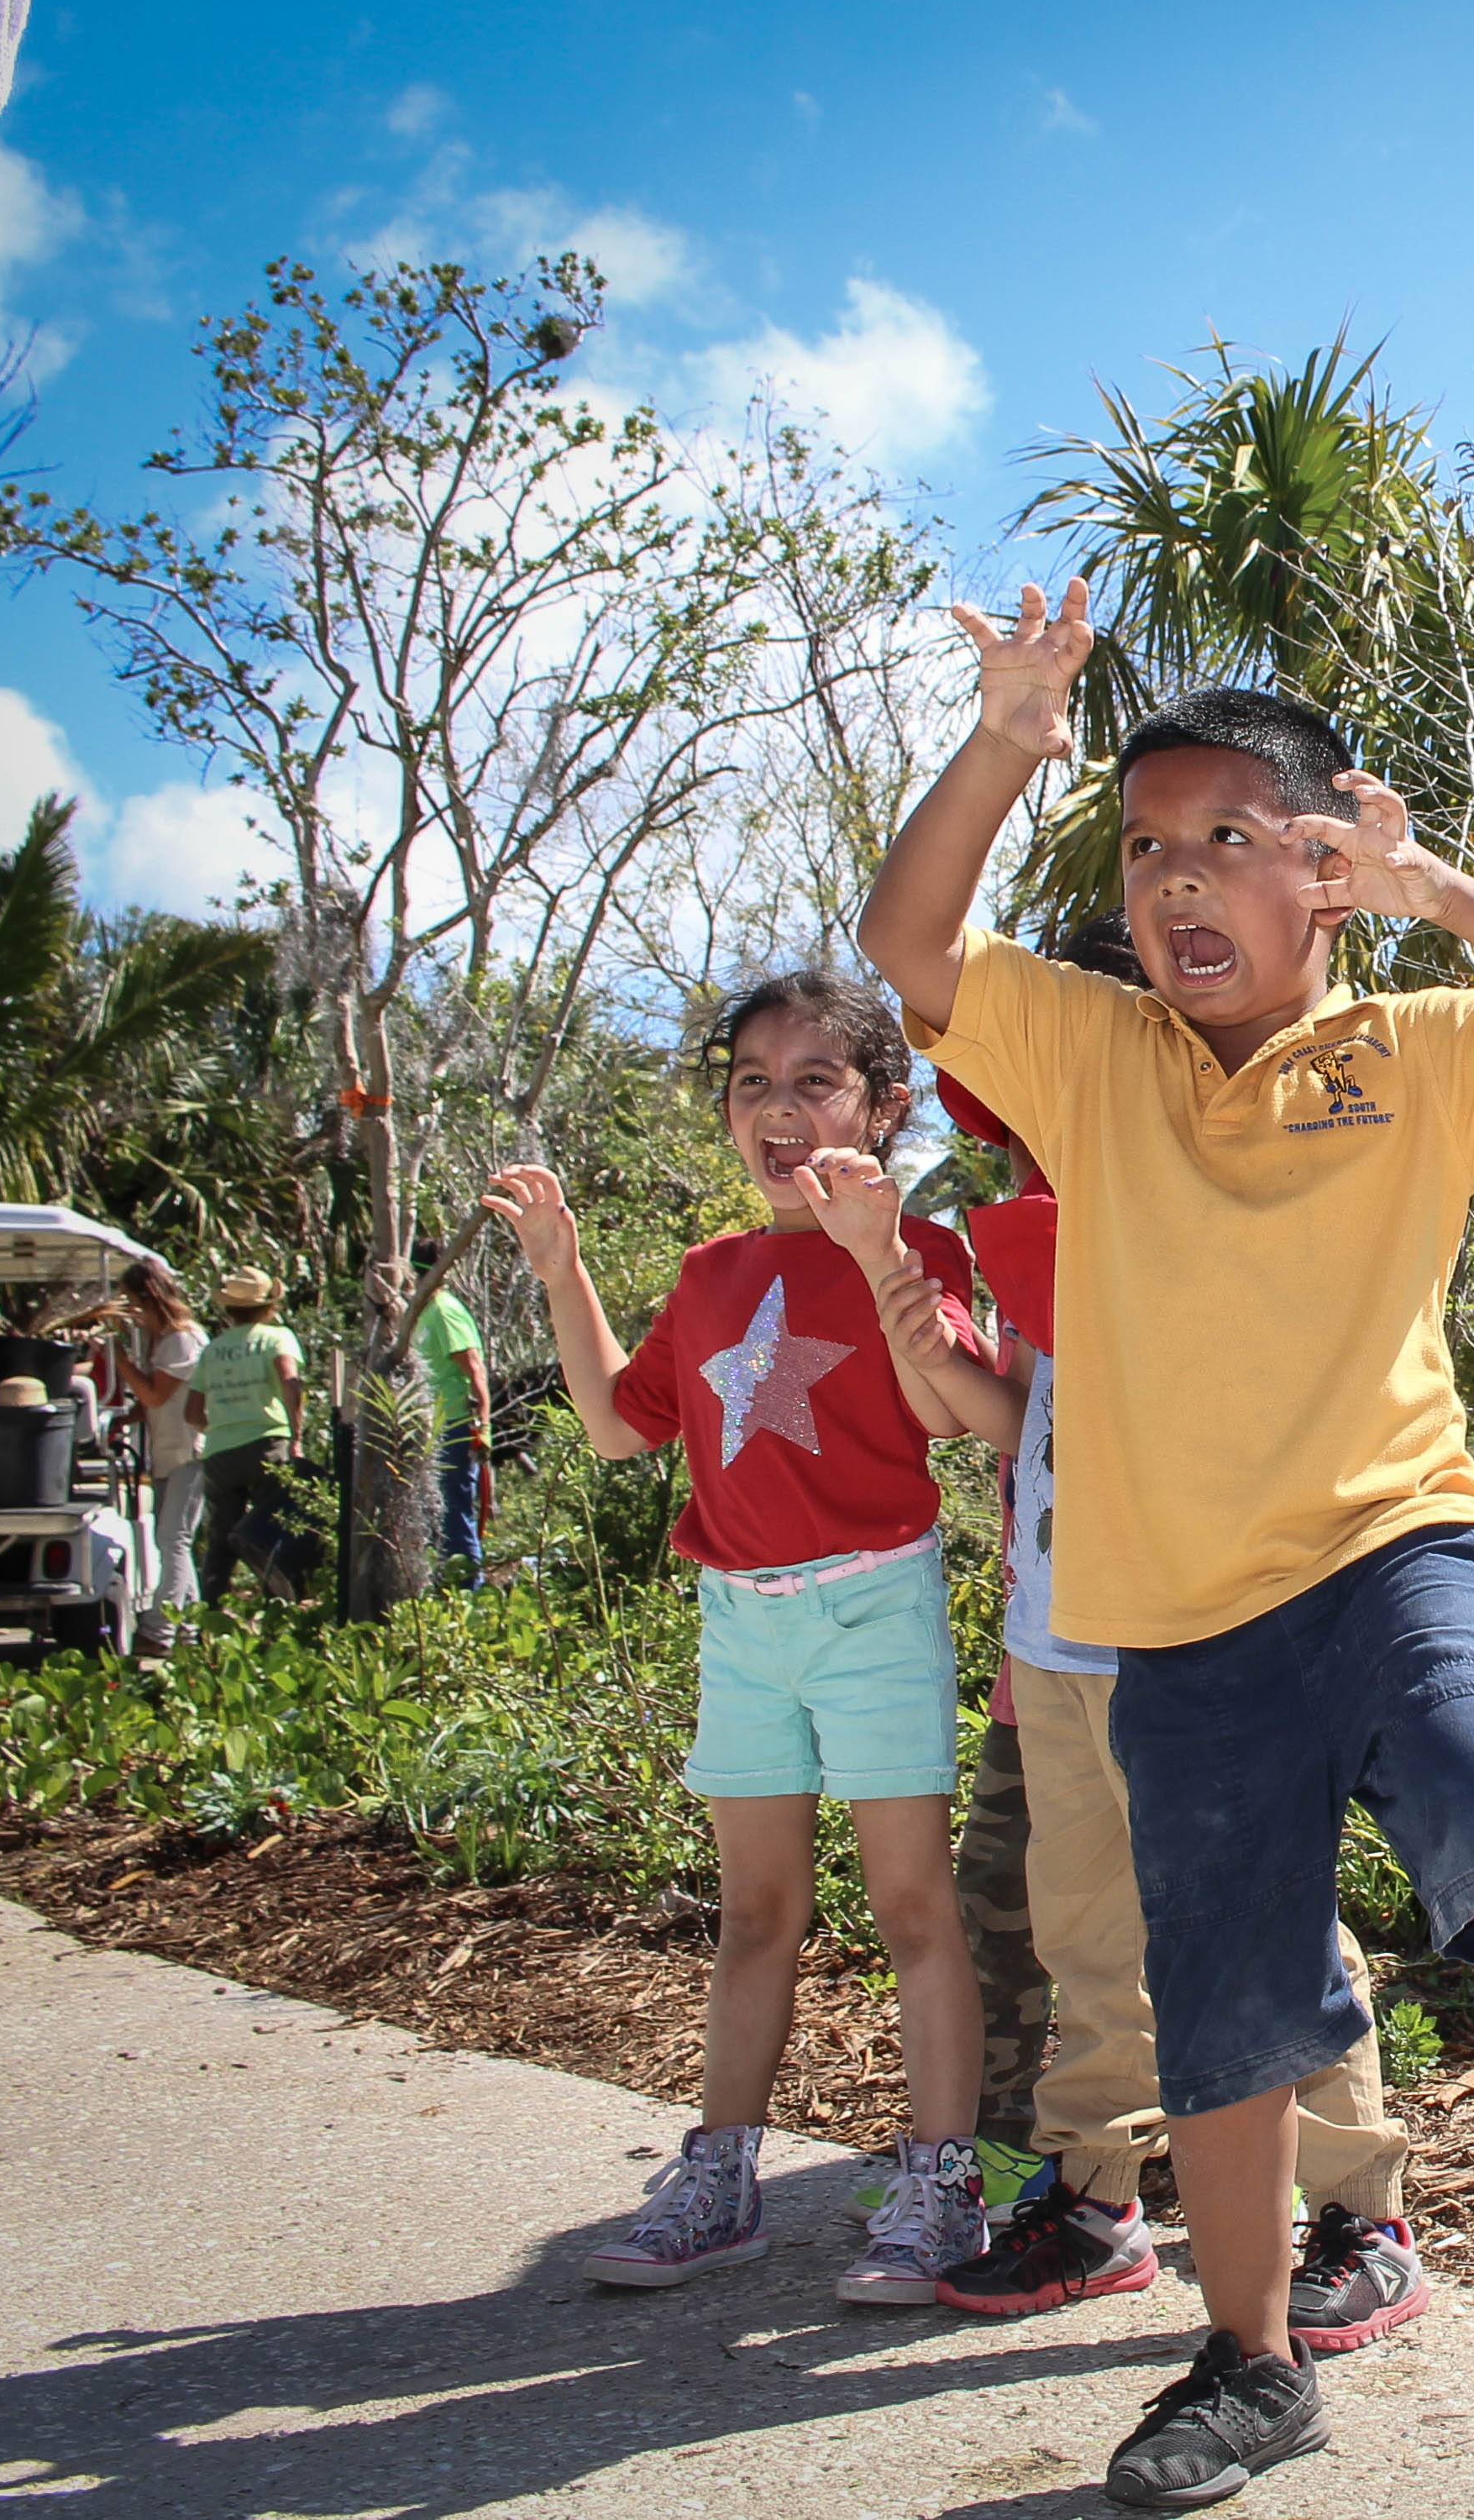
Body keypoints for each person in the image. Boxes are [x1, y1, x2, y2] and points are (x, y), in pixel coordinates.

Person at [858, 582, 1474, 2508]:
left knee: (1462, 1760)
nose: (1178, 876)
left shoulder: (1419, 1051)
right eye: (1148, 845)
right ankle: (1247, 2358)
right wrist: (1010, 733)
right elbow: (905, 942)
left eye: (1230, 842)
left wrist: (1454, 902)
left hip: (1391, 1530)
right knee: (1227, 1989)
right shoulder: (1093, 1053)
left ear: (1323, 871)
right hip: (1173, 1607)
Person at [484, 968, 1004, 2311]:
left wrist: (875, 1248)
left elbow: (946, 1412)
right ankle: (719, 2181)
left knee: (910, 1906)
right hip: (740, 1621)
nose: (781, 1108)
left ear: (885, 1107)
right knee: (755, 1912)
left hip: (875, 1603)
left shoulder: (921, 1250)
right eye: (753, 1083)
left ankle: (940, 2185)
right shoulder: (711, 1274)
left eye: (816, 1080)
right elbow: (616, 1423)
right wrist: (564, 1271)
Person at [924, 969, 1426, 2352]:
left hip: (1211, 1629)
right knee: (1086, 1936)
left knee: (1273, 1928)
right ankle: (1095, 2198)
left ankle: (1358, 2211)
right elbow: (1026, 1417)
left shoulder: (1228, 1169)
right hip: (1062, 1629)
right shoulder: (1036, 1192)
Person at [187, 1268, 304, 1613]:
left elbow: (192, 1412)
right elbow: (290, 1382)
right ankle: (279, 1611)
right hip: (267, 1442)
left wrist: (223, 1423)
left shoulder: (213, 1350)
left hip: (221, 1451)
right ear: (269, 1306)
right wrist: (296, 1434)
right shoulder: (276, 1338)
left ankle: (210, 1616)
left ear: (229, 1310)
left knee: (221, 1537)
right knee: (274, 1532)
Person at [102, 1263, 206, 1630]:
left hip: (188, 1451)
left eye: (132, 1303)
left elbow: (156, 1397)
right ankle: (190, 1627)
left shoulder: (181, 1339)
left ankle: (160, 1628)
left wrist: (120, 1361)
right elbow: (153, 1401)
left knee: (172, 1539)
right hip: (167, 1451)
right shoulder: (163, 1341)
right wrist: (124, 1419)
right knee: (174, 1542)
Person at [406, 1237, 493, 1575]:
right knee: (436, 1512)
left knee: (455, 1509)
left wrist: (482, 1426)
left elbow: (474, 1370)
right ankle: (447, 1581)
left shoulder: (445, 1311)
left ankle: (469, 1588)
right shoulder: (425, 1311)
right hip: (433, 1428)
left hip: (456, 1425)